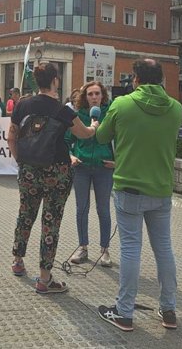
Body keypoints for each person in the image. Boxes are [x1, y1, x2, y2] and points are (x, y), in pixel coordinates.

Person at [96, 59, 182, 332]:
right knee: (164, 249)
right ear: (162, 80)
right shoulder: (176, 108)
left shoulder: (122, 105)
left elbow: (100, 137)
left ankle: (124, 312)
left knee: (131, 249)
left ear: (135, 79)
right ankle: (168, 310)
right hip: (161, 188)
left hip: (129, 188)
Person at [7, 63, 98, 294]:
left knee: (25, 214)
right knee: (51, 223)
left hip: (28, 171)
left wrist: (21, 162)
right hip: (56, 172)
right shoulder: (63, 111)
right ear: (55, 80)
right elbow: (84, 134)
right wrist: (95, 126)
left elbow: (11, 137)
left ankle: (18, 261)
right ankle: (44, 278)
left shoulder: (22, 104)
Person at [66, 81, 115, 267]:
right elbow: (65, 141)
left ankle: (105, 250)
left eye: (97, 93)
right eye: (90, 94)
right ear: (84, 97)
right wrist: (70, 156)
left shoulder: (111, 115)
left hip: (104, 167)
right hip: (82, 167)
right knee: (82, 209)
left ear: (103, 95)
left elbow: (121, 141)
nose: (94, 97)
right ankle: (82, 247)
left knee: (103, 209)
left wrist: (117, 162)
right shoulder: (77, 116)